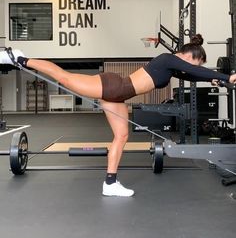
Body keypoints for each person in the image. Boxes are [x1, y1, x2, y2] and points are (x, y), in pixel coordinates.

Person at [1, 34, 236, 197]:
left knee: (122, 136)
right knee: (64, 77)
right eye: (198, 61)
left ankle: (110, 183)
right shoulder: (168, 58)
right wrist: (226, 78)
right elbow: (194, 71)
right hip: (113, 87)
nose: (196, 65)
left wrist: (214, 79)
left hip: (118, 95)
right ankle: (18, 58)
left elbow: (192, 75)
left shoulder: (172, 66)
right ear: (188, 55)